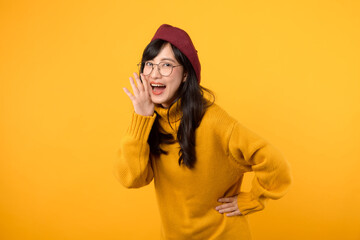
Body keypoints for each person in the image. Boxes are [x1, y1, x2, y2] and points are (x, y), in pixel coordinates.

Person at [114, 24, 292, 239]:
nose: (154, 74)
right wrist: (140, 118)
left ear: (186, 74)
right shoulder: (149, 121)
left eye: (166, 65)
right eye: (149, 64)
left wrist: (253, 199)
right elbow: (132, 179)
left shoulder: (214, 120)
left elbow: (276, 165)